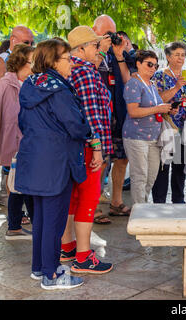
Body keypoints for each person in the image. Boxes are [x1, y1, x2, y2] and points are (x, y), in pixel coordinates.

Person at [16, 39, 91, 289]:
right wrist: (88, 129)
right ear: (53, 61)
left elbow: (24, 123)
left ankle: (39, 267)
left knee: (41, 219)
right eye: (67, 58)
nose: (71, 63)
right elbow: (74, 124)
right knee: (54, 221)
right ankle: (52, 274)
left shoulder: (30, 83)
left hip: (35, 159)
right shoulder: (58, 88)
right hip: (56, 162)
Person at [59, 26, 113, 274]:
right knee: (88, 199)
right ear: (80, 49)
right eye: (93, 44)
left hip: (73, 147)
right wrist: (99, 149)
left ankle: (68, 247)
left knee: (73, 198)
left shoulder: (70, 71)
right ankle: (83, 257)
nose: (98, 48)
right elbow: (92, 117)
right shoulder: (86, 73)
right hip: (90, 148)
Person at [0, 43, 35, 240]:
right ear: (22, 63)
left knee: (22, 187)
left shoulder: (29, 83)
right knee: (21, 187)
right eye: (32, 60)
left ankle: (16, 226)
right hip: (13, 145)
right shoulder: (5, 84)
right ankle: (17, 226)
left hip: (27, 144)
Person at [93, 14, 133, 219]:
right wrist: (101, 50)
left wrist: (118, 54)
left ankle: (116, 201)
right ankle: (95, 203)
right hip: (98, 115)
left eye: (112, 33)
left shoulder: (117, 54)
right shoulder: (89, 51)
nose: (110, 37)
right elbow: (86, 71)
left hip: (118, 112)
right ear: (95, 32)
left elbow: (128, 81)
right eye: (105, 33)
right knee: (100, 161)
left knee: (122, 158)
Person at [151, 41, 186, 203]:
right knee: (163, 166)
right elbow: (157, 100)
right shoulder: (160, 75)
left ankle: (179, 200)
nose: (181, 57)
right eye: (177, 54)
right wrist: (177, 87)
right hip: (166, 126)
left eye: (183, 54)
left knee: (180, 166)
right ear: (168, 57)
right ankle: (159, 201)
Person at [123, 50, 172, 204]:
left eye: (155, 65)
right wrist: (158, 109)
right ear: (138, 64)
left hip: (154, 137)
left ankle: (141, 208)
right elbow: (133, 111)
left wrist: (166, 109)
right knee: (140, 176)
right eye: (149, 64)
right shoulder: (133, 83)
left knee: (151, 177)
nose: (152, 68)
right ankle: (138, 214)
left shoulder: (151, 84)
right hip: (136, 137)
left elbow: (154, 107)